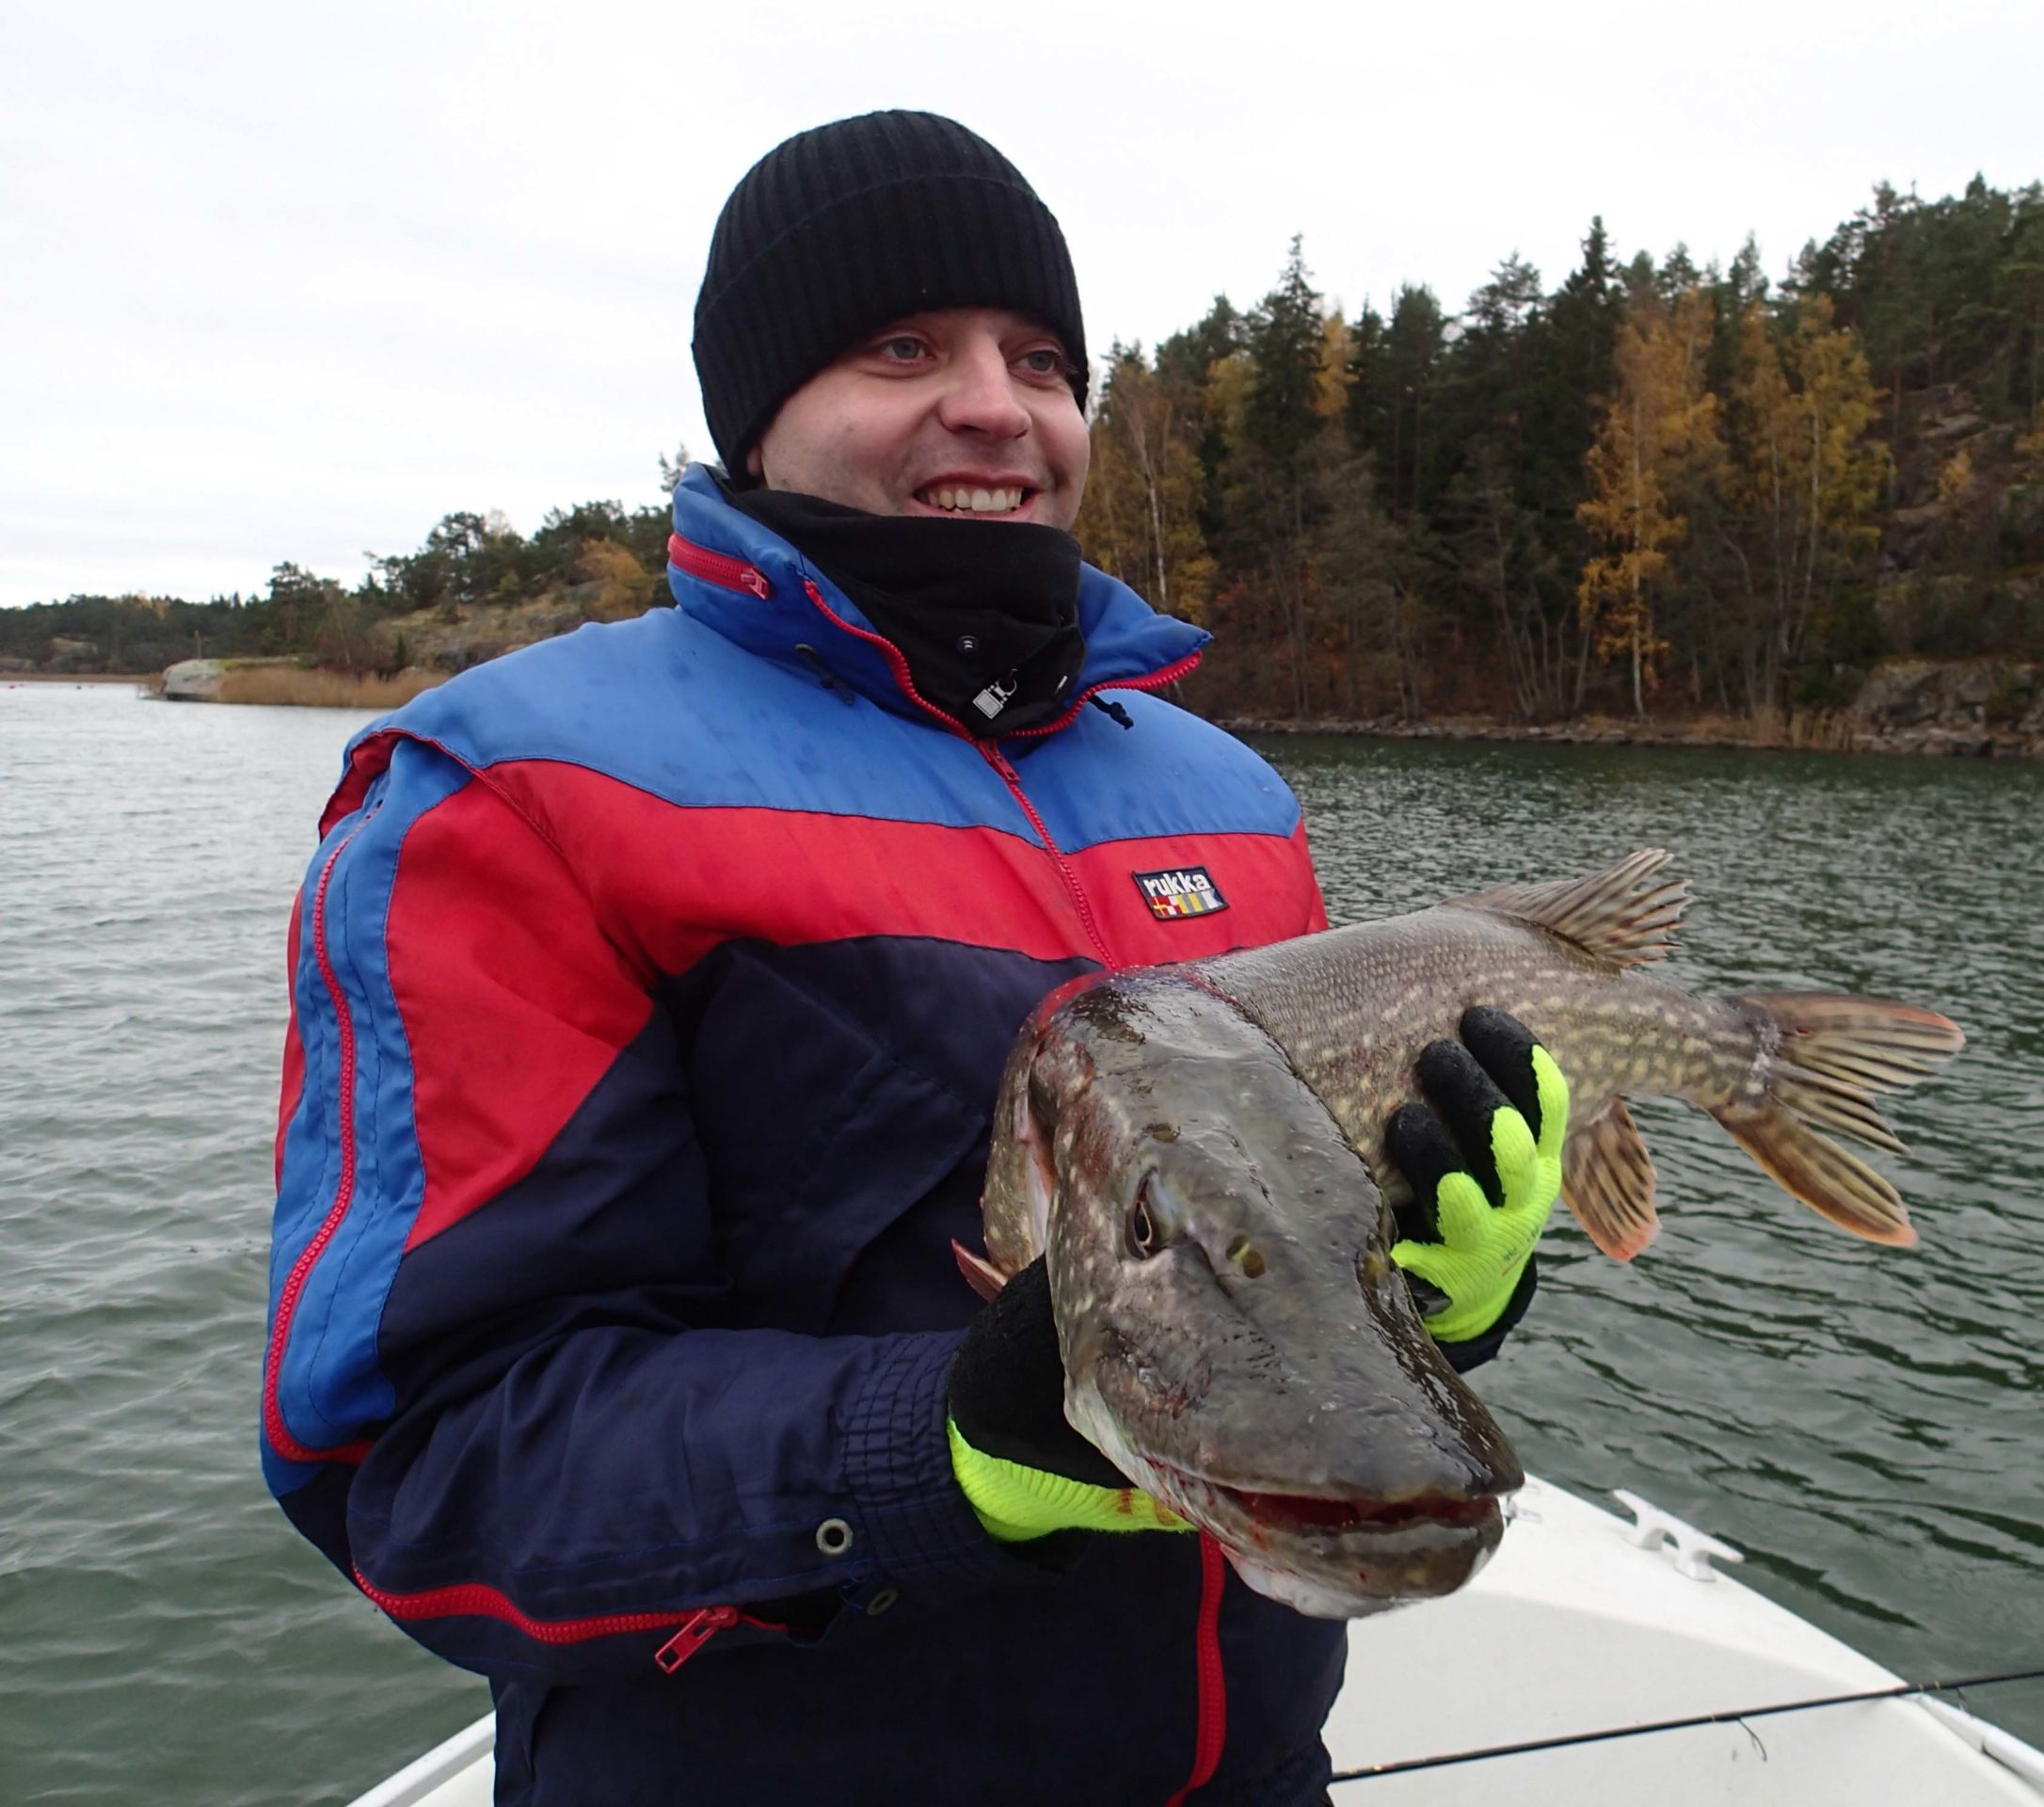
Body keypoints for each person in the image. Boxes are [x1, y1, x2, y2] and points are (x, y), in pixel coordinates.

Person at [260, 110, 1555, 1806]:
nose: (997, 406)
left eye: (1041, 358)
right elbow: (428, 1467)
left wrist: (1413, 1294)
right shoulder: (513, 795)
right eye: (902, 348)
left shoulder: (1223, 794)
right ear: (760, 414)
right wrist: (947, 1442)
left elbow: (1259, 1237)